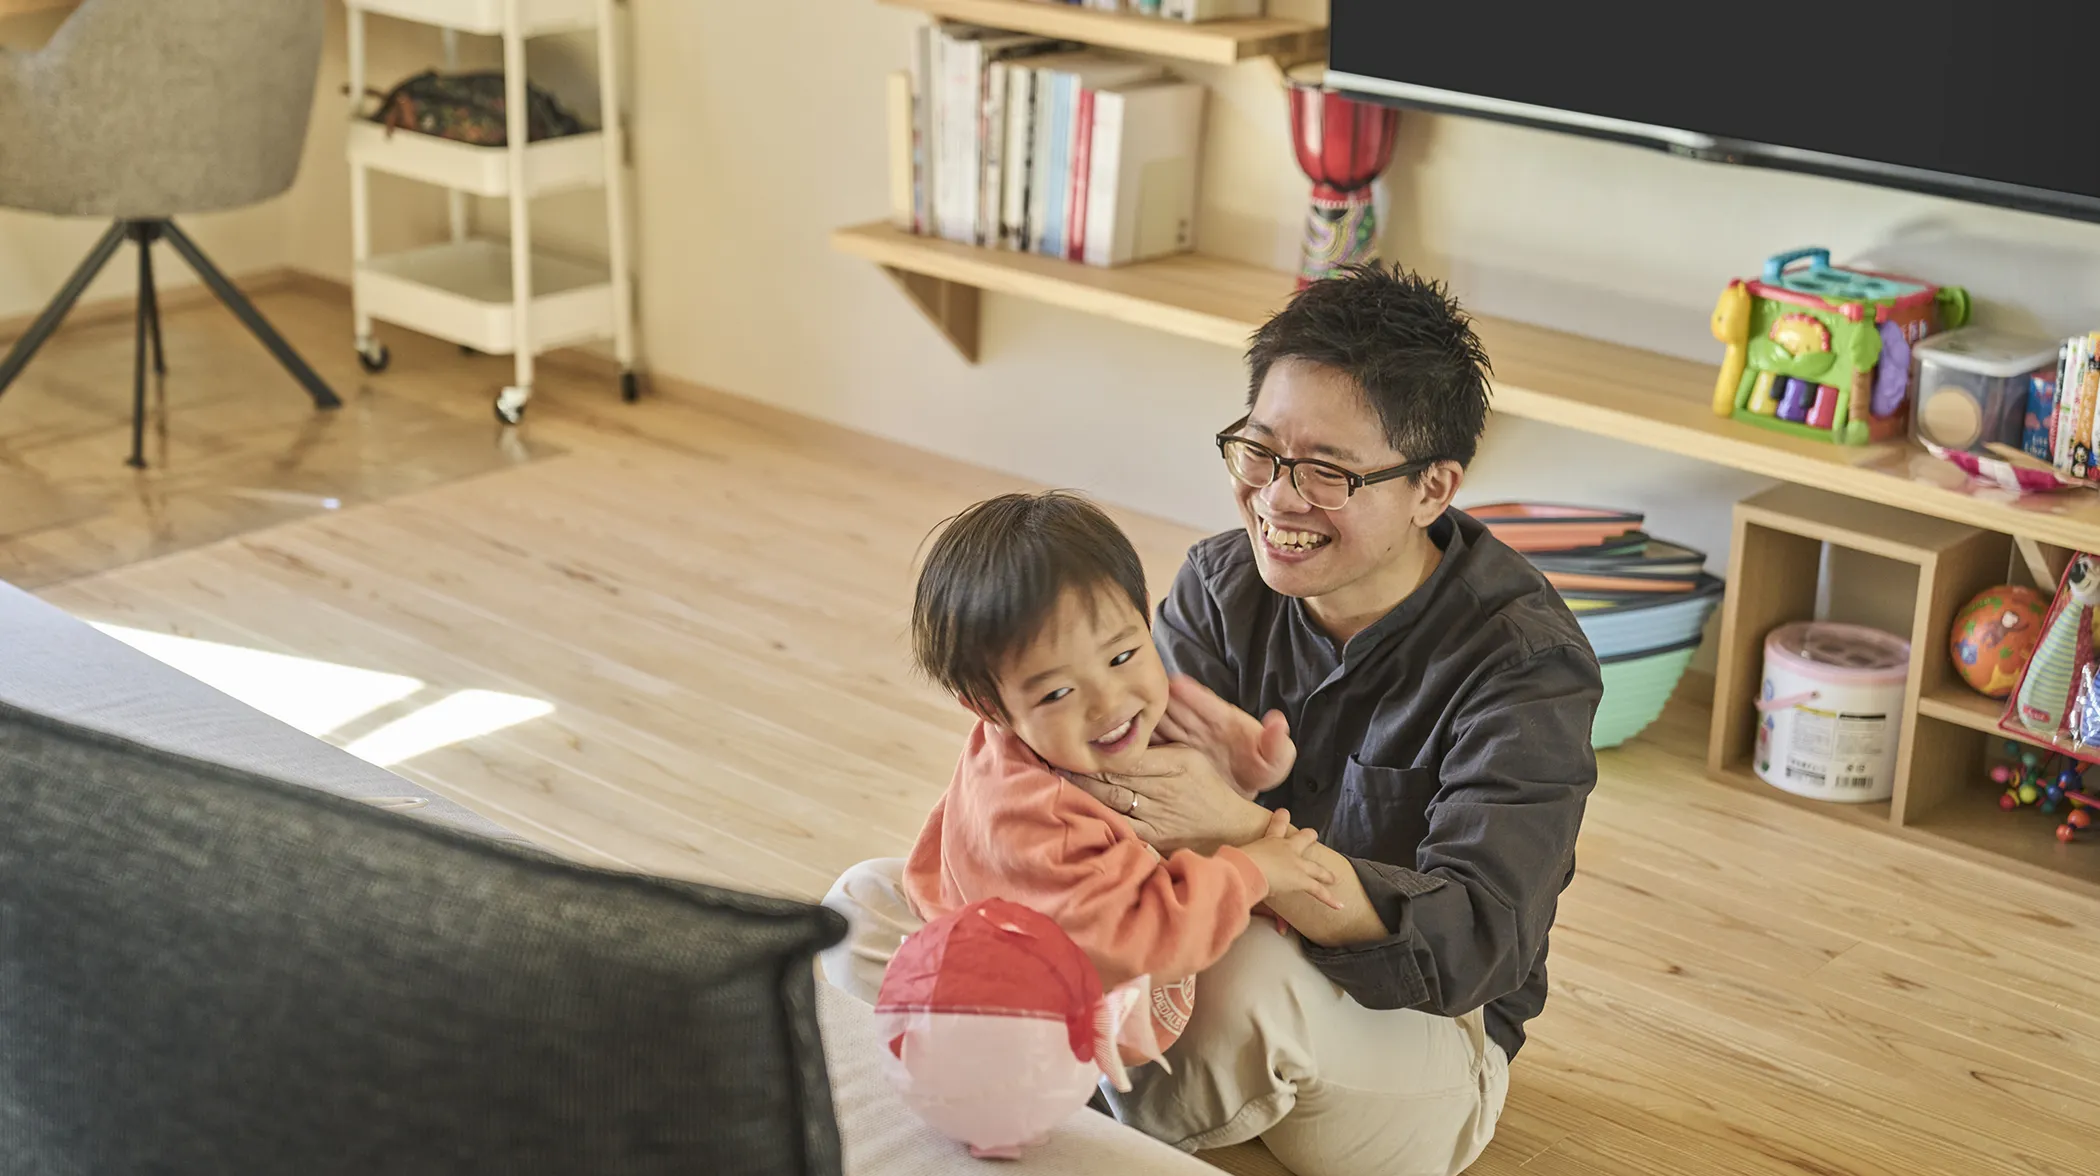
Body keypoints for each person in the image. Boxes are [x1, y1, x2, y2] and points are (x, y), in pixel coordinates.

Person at [822, 263, 1602, 1176]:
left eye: (1326, 474)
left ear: (1432, 488)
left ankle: (1045, 1114)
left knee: (1237, 987)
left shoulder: (1524, 665)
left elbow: (1473, 942)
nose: (1275, 501)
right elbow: (1109, 807)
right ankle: (1070, 1108)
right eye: (1260, 453)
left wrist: (1239, 835)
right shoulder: (1221, 585)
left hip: (1418, 1040)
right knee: (876, 906)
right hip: (1187, 963)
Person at [897, 491, 1342, 1063]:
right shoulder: (1041, 822)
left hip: (1023, 947)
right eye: (1058, 691)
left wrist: (1236, 781)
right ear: (986, 705)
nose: (1107, 702)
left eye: (1122, 655)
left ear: (1144, 619)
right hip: (1069, 1030)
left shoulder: (1038, 738)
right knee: (1266, 962)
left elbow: (1157, 810)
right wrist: (1251, 871)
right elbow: (1143, 941)